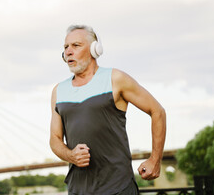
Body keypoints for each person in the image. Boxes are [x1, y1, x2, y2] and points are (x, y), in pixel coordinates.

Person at [49, 25, 166, 195]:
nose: (68, 52)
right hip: (78, 190)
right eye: (66, 47)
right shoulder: (58, 91)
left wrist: (155, 159)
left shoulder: (115, 79)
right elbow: (54, 138)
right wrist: (70, 155)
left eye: (76, 45)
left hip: (118, 187)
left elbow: (157, 111)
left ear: (95, 49)